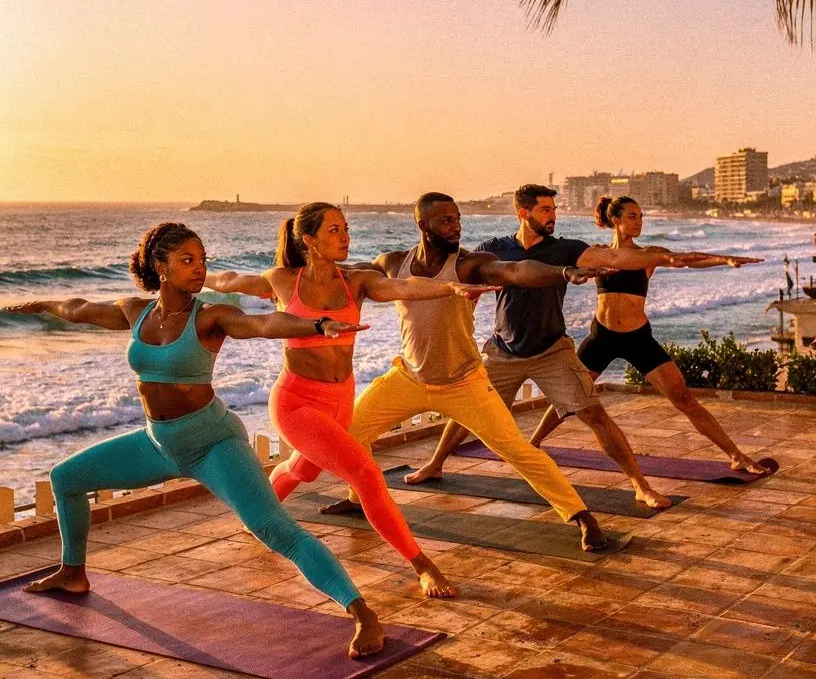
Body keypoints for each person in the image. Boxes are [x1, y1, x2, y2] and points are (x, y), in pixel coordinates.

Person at [3, 221, 385, 658]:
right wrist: (39, 303)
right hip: (158, 443)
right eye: (187, 260)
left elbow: (262, 323)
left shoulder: (210, 317)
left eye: (202, 260)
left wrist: (317, 324)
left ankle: (362, 613)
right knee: (66, 478)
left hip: (213, 444)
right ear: (160, 267)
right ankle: (73, 572)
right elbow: (79, 307)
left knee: (275, 529)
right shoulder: (135, 312)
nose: (199, 268)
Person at [205, 202, 498, 597]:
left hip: (341, 399)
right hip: (296, 402)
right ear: (309, 240)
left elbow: (402, 287)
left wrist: (450, 288)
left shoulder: (356, 282)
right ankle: (423, 566)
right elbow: (231, 280)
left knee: (301, 469)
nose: (345, 237)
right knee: (366, 475)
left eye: (345, 228)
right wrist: (195, 277)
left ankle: (254, 514)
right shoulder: (283, 280)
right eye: (334, 230)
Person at [323, 191, 636, 551]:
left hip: (464, 383)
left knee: (518, 451)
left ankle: (581, 516)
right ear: (422, 224)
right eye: (446, 220)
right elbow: (348, 275)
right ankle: (358, 497)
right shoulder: (394, 263)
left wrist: (562, 271)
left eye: (458, 219)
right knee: (348, 433)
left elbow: (516, 270)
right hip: (408, 378)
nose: (456, 226)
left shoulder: (469, 265)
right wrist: (300, 267)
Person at [531, 195, 768, 473]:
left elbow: (684, 260)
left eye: (641, 216)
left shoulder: (647, 255)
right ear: (615, 220)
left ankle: (737, 455)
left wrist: (722, 259)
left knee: (683, 399)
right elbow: (562, 269)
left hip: (638, 339)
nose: (639, 222)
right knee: (569, 396)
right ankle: (532, 444)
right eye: (632, 216)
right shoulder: (599, 253)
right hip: (601, 338)